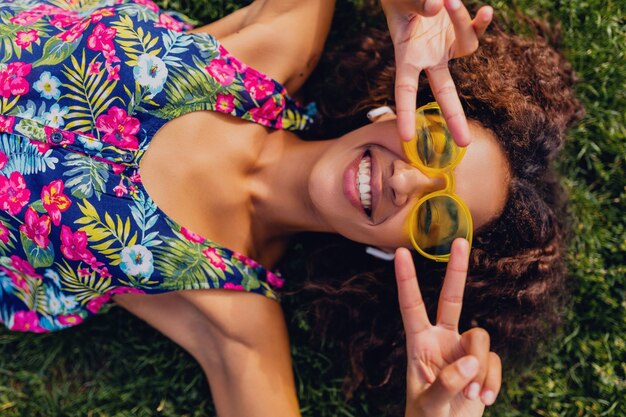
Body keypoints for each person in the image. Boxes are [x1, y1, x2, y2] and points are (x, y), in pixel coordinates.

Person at [0, 1, 583, 416]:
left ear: (400, 254)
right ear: (396, 110)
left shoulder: (237, 319)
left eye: (438, 215)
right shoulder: (281, 43)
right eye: (430, 143)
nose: (406, 180)